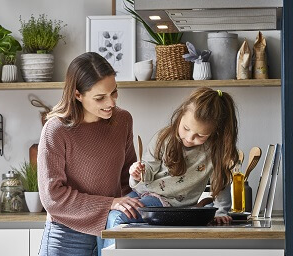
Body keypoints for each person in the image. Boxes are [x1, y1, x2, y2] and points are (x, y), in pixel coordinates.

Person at [101, 87, 239, 249]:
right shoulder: (163, 138)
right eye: (186, 128)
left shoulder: (215, 151)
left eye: (200, 135)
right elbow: (148, 174)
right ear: (180, 116)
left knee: (117, 217)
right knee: (107, 216)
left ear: (215, 132)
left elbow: (221, 183)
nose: (189, 138)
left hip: (166, 204)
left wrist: (222, 212)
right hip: (145, 192)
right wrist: (137, 174)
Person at [37, 52, 144, 256]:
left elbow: (126, 182)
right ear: (78, 95)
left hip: (111, 229)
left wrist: (137, 179)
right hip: (67, 235)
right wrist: (109, 203)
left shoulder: (123, 120)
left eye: (114, 92)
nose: (111, 102)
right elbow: (52, 197)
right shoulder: (56, 130)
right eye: (100, 97)